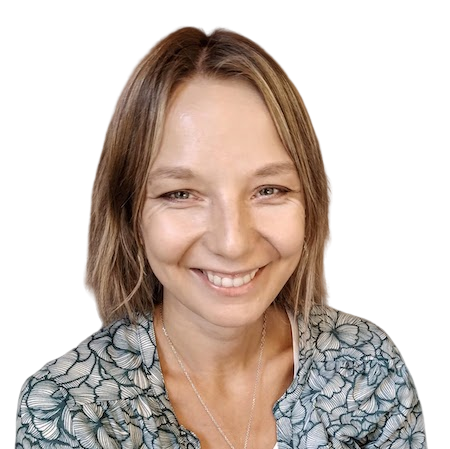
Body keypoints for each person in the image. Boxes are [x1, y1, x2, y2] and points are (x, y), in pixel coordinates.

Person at [15, 25, 427, 449]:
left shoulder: (367, 365)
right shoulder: (69, 409)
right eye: (180, 194)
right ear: (129, 215)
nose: (233, 244)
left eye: (269, 190)